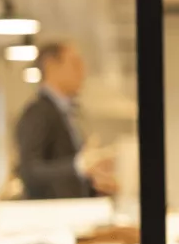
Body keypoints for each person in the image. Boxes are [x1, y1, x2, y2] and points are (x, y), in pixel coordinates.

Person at [14, 41, 116, 200]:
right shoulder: (38, 113)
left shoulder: (69, 114)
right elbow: (29, 171)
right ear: (51, 66)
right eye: (75, 64)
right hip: (52, 211)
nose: (82, 72)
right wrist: (80, 165)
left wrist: (95, 184)